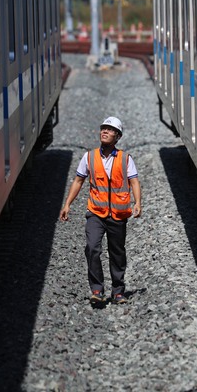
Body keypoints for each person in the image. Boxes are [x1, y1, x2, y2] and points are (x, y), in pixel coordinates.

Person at [59, 116, 142, 305]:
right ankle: (97, 289)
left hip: (118, 215)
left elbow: (134, 181)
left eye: (110, 130)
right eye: (103, 128)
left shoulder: (125, 159)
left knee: (117, 253)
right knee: (92, 248)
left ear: (118, 136)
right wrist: (67, 204)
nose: (104, 131)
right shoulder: (89, 157)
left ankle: (118, 291)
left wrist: (138, 203)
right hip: (96, 212)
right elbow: (78, 180)